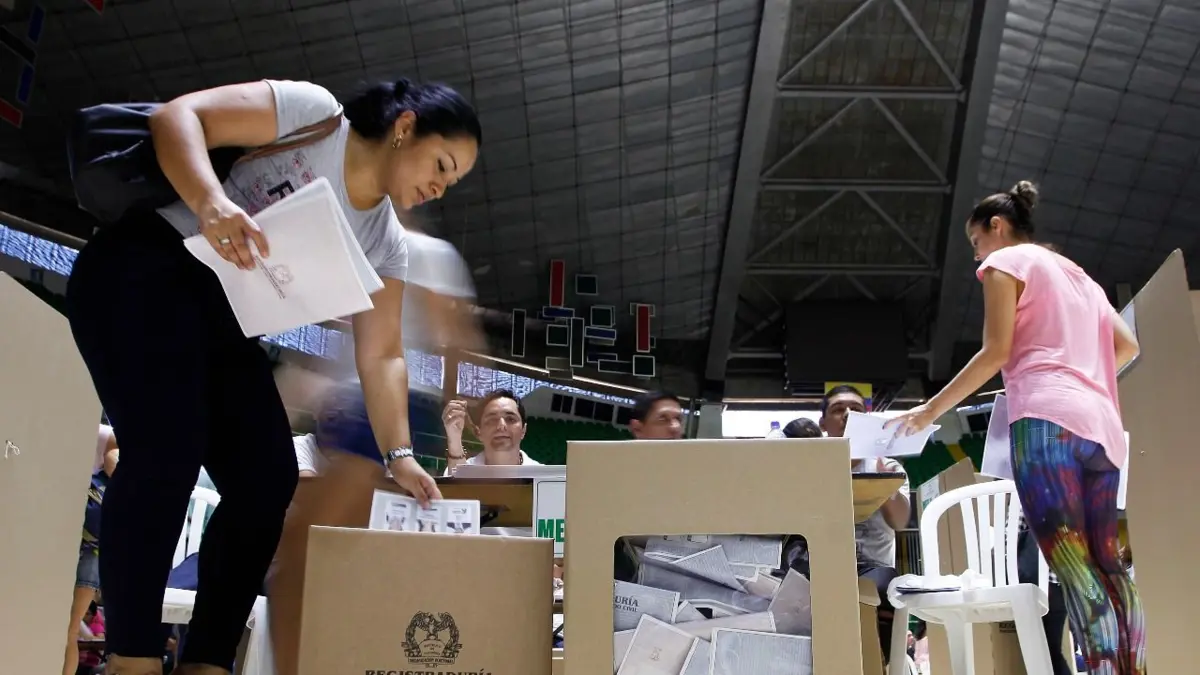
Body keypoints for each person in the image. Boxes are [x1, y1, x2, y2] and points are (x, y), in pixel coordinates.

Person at [64, 76, 479, 675]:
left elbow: (383, 354)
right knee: (167, 450)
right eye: (442, 164)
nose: (440, 186)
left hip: (228, 321)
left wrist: (401, 453)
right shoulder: (316, 115)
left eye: (452, 181)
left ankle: (207, 662)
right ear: (405, 127)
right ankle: (132, 658)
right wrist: (210, 202)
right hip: (146, 268)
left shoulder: (387, 244)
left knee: (266, 478)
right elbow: (179, 118)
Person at [887, 180, 1144, 675]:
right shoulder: (1081, 277)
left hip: (1046, 424)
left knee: (1073, 566)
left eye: (976, 240)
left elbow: (995, 353)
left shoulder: (1005, 263)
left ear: (997, 226)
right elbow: (1128, 345)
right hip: (1102, 427)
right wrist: (1082, 379)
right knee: (1110, 566)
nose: (976, 254)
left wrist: (928, 411)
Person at [64, 427, 118, 675]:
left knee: (69, 629)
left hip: (87, 548)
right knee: (70, 630)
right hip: (90, 548)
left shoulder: (96, 433)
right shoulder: (94, 433)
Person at [442, 389, 542, 474]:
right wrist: (454, 438)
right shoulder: (458, 469)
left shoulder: (543, 476)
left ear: (523, 430)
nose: (501, 426)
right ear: (478, 432)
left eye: (510, 419)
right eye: (492, 420)